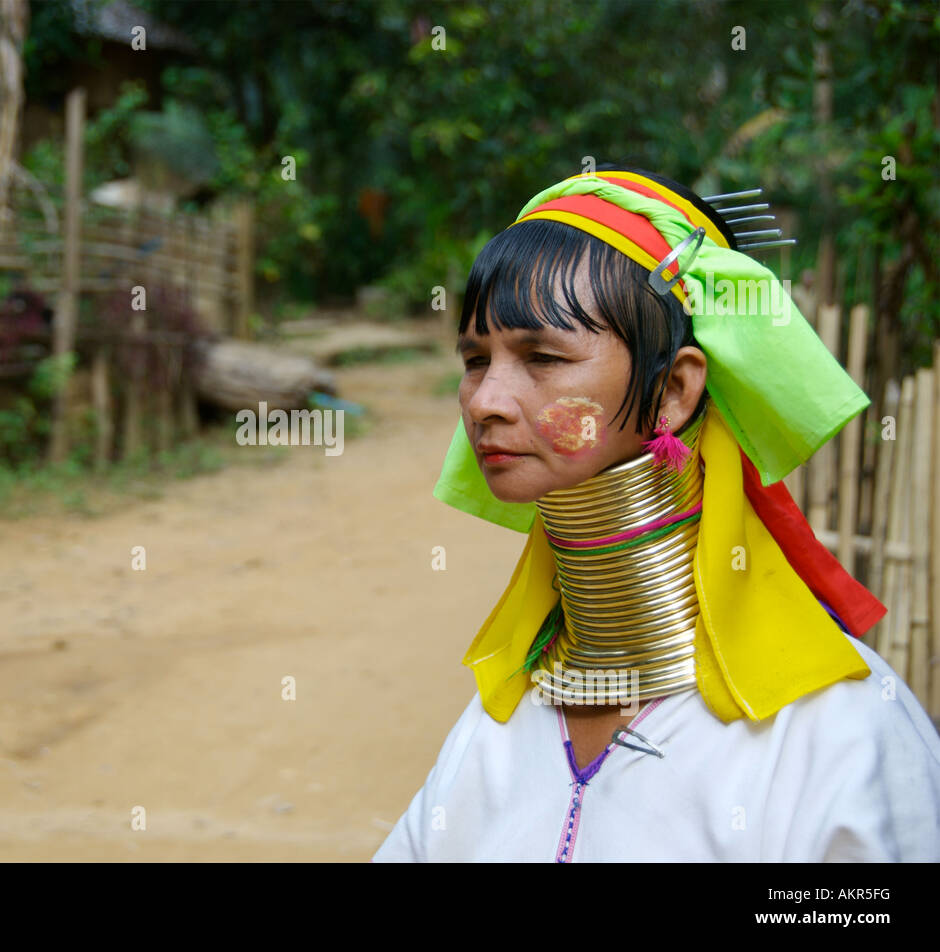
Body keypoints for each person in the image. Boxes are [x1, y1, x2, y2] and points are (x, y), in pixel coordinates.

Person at [372, 166, 940, 862]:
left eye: (542, 356)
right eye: (474, 358)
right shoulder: (495, 722)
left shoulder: (838, 733)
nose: (485, 399)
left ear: (672, 391)